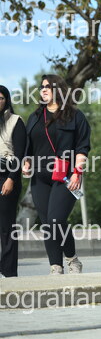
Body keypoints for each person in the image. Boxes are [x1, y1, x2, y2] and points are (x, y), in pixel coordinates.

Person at [23, 75, 90, 275]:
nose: (43, 90)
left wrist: (77, 172)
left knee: (56, 220)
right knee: (47, 223)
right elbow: (28, 147)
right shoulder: (35, 117)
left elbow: (82, 147)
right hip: (40, 177)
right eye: (41, 87)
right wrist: (26, 162)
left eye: (48, 86)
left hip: (66, 176)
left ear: (58, 90)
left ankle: (72, 258)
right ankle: (56, 266)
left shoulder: (75, 116)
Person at [0, 86, 26, 278]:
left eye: (1, 98)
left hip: (6, 175)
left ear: (6, 100)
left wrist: (11, 178)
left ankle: (9, 272)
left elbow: (19, 155)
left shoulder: (16, 121)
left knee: (6, 226)